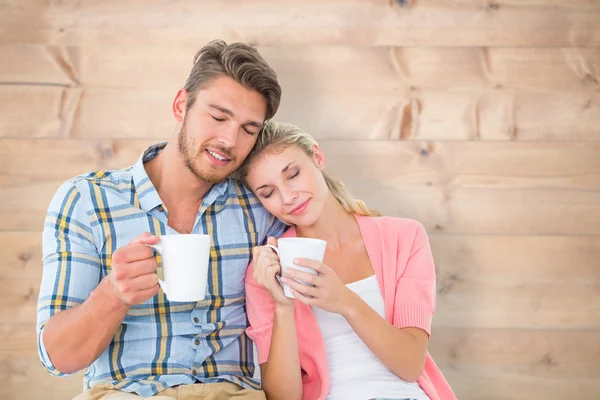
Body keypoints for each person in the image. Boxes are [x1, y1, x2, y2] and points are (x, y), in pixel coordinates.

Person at [36, 40, 286, 400]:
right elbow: (57, 357)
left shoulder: (261, 204)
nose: (229, 140)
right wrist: (113, 295)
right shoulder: (87, 201)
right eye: (218, 117)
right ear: (181, 105)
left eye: (249, 129)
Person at [236, 121, 456, 400]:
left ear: (317, 157)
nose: (288, 197)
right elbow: (283, 398)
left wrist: (345, 301)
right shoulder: (266, 270)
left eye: (292, 174)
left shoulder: (404, 237)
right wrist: (283, 306)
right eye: (268, 193)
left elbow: (411, 365)